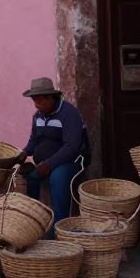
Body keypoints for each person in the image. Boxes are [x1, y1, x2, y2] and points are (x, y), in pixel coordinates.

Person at [15, 77, 89, 236]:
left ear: (51, 97)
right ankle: (33, 219)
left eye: (40, 100)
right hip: (46, 162)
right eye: (34, 100)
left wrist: (48, 164)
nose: (36, 104)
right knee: (28, 175)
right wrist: (24, 153)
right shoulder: (38, 116)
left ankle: (58, 230)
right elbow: (33, 141)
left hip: (72, 161)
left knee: (58, 177)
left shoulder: (69, 113)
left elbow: (72, 147)